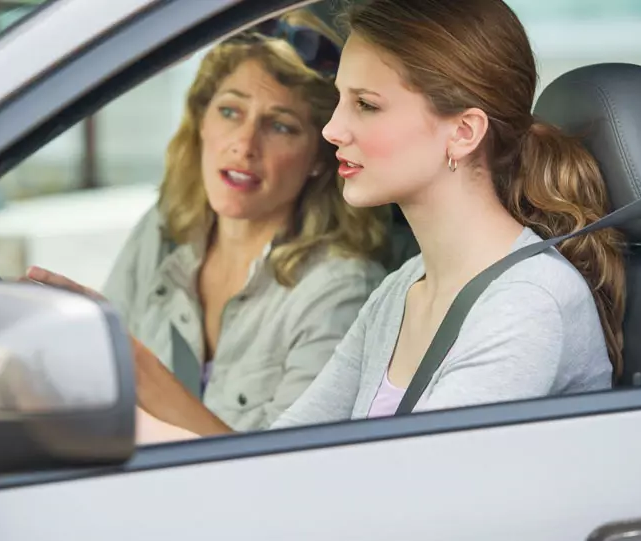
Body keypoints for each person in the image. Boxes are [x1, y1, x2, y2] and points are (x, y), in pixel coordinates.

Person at [134, 0, 626, 444]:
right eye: (341, 100)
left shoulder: (527, 305)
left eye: (366, 105)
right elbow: (281, 458)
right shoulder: (403, 290)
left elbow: (413, 500)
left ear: (463, 132)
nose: (331, 129)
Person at [24, 10, 390, 432]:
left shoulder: (340, 289)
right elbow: (96, 385)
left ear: (318, 160)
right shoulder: (164, 231)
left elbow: (282, 478)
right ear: (201, 122)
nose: (244, 144)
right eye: (230, 112)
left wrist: (140, 370)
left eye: (280, 127)